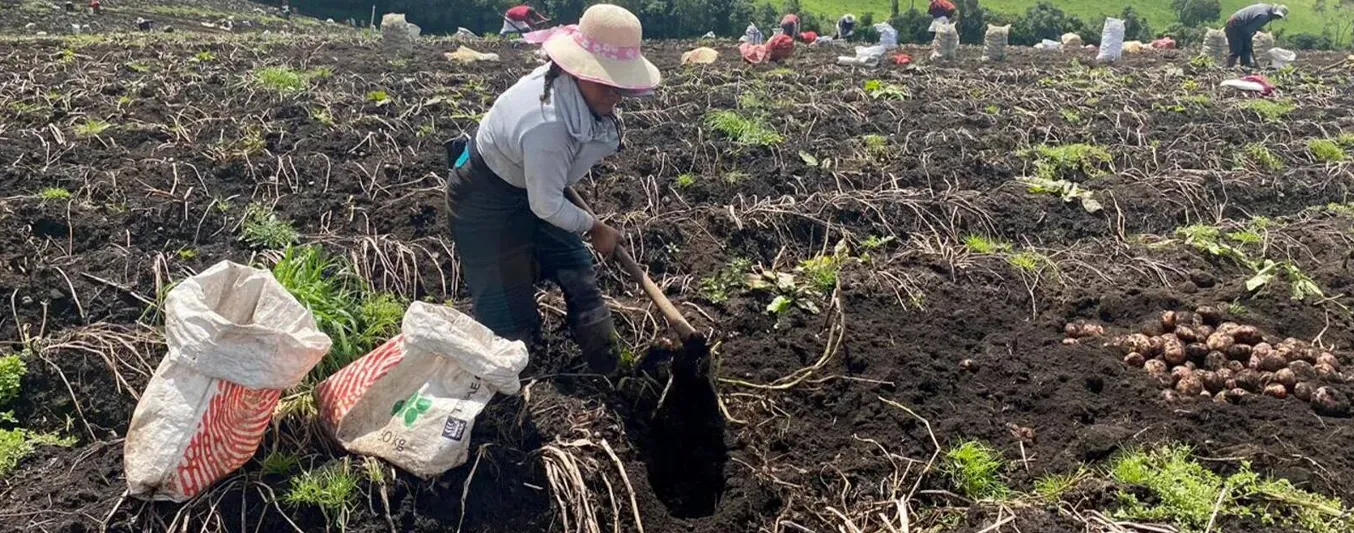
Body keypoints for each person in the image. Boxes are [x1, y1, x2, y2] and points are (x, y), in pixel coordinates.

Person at [445, 4, 660, 374]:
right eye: (606, 81)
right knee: (509, 322)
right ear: (578, 69)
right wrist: (595, 228)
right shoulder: (548, 123)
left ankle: (610, 368)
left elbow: (547, 192)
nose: (615, 94)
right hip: (485, 200)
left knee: (577, 269)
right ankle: (519, 389)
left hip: (530, 185)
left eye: (619, 83)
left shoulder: (573, 94)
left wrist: (580, 223)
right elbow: (545, 204)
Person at [1225, 3, 1288, 68]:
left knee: (1246, 49)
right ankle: (1229, 68)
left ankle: (1246, 67)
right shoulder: (1264, 16)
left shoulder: (1266, 8)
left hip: (1240, 25)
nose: (1278, 19)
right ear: (1275, 14)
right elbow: (1248, 31)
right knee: (1237, 50)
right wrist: (1249, 42)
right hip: (1235, 26)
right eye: (1278, 17)